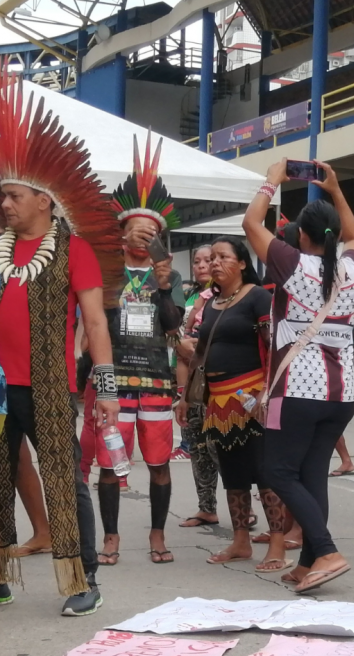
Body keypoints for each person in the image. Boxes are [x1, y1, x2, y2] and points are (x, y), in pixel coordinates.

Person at [0, 70, 121, 614]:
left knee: (64, 482)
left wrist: (107, 388)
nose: (5, 204)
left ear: (44, 200)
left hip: (47, 387)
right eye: (2, 196)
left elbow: (95, 324)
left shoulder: (75, 250)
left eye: (14, 196)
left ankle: (81, 580)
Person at [243, 158, 354, 594]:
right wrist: (335, 189)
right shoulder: (352, 269)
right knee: (312, 475)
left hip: (295, 390)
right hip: (341, 396)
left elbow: (250, 223)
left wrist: (271, 181)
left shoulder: (293, 264)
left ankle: (327, 551)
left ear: (303, 237)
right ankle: (310, 561)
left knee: (277, 471)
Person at [96, 133, 185, 566]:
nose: (143, 237)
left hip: (156, 383)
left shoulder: (170, 276)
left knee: (159, 463)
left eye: (151, 233)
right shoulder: (105, 271)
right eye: (136, 230)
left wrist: (164, 287)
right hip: (113, 382)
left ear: (160, 239)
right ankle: (111, 537)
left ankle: (157, 534)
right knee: (110, 463)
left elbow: (172, 325)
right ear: (122, 232)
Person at [175, 237, 286, 570]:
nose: (215, 263)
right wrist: (185, 397)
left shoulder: (258, 296)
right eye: (212, 258)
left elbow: (274, 347)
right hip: (219, 403)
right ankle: (240, 542)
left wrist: (265, 392)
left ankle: (277, 545)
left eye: (223, 257)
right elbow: (200, 353)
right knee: (233, 475)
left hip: (252, 400)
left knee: (265, 473)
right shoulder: (211, 303)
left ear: (242, 263)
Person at [176, 246, 221, 529]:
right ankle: (207, 508)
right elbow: (182, 343)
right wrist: (183, 393)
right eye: (197, 261)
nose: (203, 265)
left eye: (210, 260)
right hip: (193, 385)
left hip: (222, 387)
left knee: (222, 449)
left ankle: (243, 510)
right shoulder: (193, 298)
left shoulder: (235, 296)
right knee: (198, 447)